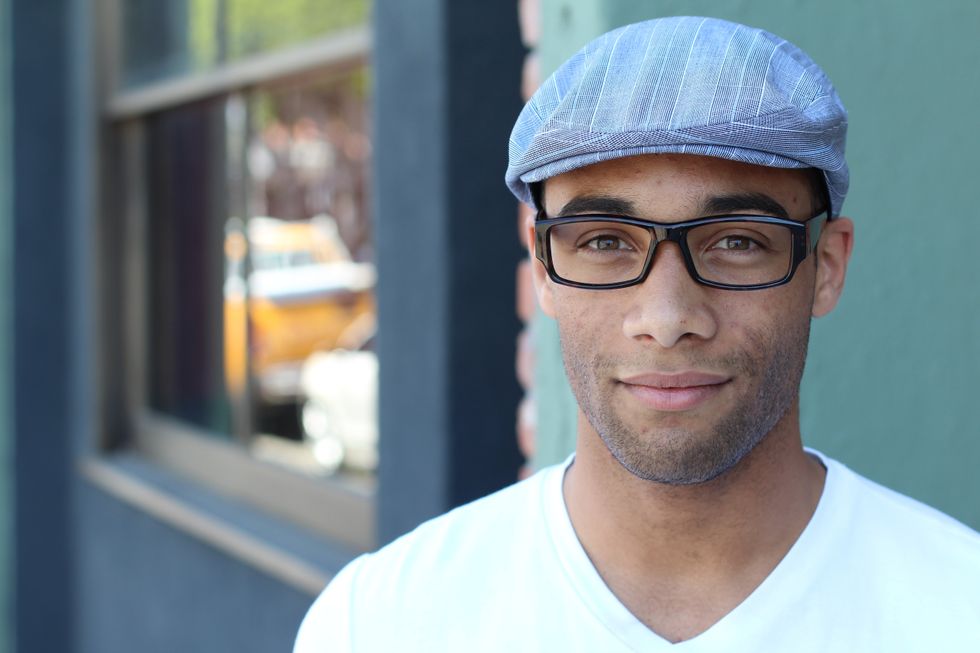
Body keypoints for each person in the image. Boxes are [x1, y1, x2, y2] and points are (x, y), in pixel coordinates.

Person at [295, 16, 980, 652]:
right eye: (604, 240)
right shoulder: (381, 622)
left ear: (825, 266)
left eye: (737, 240)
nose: (667, 315)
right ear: (543, 269)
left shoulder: (957, 609)